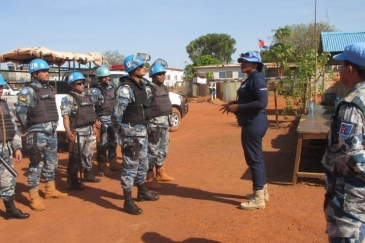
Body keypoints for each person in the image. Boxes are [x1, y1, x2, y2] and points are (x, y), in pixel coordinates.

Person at [322, 42, 365, 242]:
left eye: (340, 65)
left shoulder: (352, 104)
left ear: (350, 69)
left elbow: (353, 155)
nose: (338, 70)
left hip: (351, 196)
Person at [16, 58, 68, 211]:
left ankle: (50, 190)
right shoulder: (28, 91)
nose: (47, 73)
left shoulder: (49, 88)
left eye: (47, 70)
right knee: (36, 164)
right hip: (37, 133)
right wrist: (31, 127)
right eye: (44, 71)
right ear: (35, 73)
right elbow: (21, 112)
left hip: (51, 132)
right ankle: (33, 196)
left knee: (52, 162)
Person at [220, 51, 269, 210]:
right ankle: (262, 191)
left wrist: (238, 107)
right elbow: (250, 99)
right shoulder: (251, 79)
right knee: (257, 158)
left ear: (255, 65)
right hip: (251, 122)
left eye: (246, 61)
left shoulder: (257, 79)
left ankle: (258, 198)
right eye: (242, 61)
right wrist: (234, 103)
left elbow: (262, 103)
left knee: (253, 159)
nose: (242, 63)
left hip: (254, 123)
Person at [112, 54, 159, 215]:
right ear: (133, 69)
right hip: (130, 133)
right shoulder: (125, 89)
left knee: (143, 164)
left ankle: (142, 191)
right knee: (130, 167)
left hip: (142, 131)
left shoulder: (142, 86)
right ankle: (127, 201)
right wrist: (122, 133)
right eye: (141, 66)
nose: (144, 68)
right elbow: (117, 115)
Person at [61, 72, 101, 190]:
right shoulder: (68, 99)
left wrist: (94, 126)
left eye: (83, 83)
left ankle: (88, 174)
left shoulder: (88, 96)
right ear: (72, 85)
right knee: (75, 156)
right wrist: (68, 131)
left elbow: (91, 113)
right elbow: (66, 116)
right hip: (77, 132)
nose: (82, 85)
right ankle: (72, 180)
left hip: (89, 130)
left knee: (88, 154)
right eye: (79, 83)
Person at [0, 74, 29, 219]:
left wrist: (17, 147)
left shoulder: (3, 105)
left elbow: (13, 127)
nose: (0, 90)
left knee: (7, 180)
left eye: (0, 87)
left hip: (5, 149)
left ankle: (10, 210)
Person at [145, 63, 174, 189]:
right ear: (153, 75)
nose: (162, 76)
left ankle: (160, 172)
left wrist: (169, 122)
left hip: (164, 124)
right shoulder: (148, 89)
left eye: (163, 74)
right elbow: (144, 107)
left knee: (163, 150)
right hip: (154, 125)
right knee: (152, 151)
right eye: (159, 74)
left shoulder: (165, 88)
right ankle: (150, 177)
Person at [91, 66, 121, 178]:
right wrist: (95, 121)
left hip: (113, 120)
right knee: (102, 145)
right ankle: (102, 166)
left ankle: (113, 162)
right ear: (99, 79)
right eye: (103, 77)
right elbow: (91, 107)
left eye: (107, 76)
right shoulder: (96, 91)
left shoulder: (113, 88)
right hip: (102, 121)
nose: (106, 79)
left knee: (113, 142)